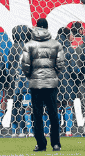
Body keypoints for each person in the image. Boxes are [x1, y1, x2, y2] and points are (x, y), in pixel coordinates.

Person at [21, 17, 65, 152]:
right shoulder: (56, 44)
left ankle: (41, 144)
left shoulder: (29, 45)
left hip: (35, 84)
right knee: (53, 114)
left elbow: (25, 65)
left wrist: (31, 76)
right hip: (51, 83)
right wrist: (53, 74)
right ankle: (56, 144)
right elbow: (60, 64)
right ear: (47, 27)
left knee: (37, 115)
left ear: (36, 26)